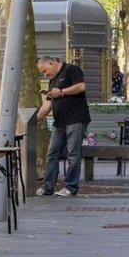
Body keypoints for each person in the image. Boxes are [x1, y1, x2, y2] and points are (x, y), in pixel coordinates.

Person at [36, 56, 91, 197]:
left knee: (73, 153)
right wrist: (35, 119)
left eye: (45, 71)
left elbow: (81, 86)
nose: (45, 75)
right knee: (52, 152)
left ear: (52, 63)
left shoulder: (71, 70)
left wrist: (61, 92)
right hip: (59, 122)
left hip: (75, 119)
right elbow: (48, 103)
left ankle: (70, 187)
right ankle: (48, 186)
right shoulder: (52, 81)